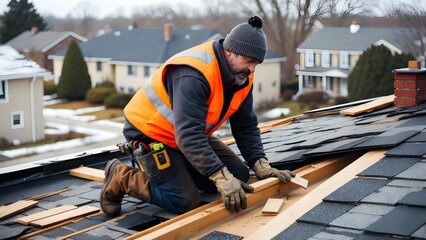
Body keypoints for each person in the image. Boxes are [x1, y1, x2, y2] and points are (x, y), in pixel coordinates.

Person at [100, 15, 295, 216]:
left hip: (185, 135)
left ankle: (178, 172)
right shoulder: (194, 74)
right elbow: (189, 136)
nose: (252, 69)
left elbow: (245, 125)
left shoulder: (242, 76)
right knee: (183, 200)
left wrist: (259, 162)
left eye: (257, 64)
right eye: (249, 61)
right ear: (230, 51)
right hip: (152, 133)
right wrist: (219, 176)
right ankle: (120, 176)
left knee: (239, 175)